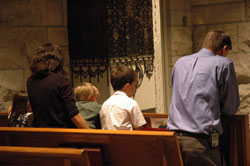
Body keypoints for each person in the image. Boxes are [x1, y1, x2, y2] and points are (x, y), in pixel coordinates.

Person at [167, 31, 240, 166]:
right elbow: (230, 107)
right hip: (201, 144)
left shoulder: (180, 62)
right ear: (224, 49)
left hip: (173, 141)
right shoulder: (223, 64)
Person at [26, 43, 89, 129]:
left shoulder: (30, 81)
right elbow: (73, 114)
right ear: (57, 60)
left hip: (39, 133)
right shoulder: (61, 80)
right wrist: (91, 133)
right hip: (62, 134)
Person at [100, 66, 146, 130]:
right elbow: (140, 130)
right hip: (126, 139)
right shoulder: (131, 103)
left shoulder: (105, 104)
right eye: (134, 85)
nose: (135, 88)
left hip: (107, 139)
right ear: (127, 86)